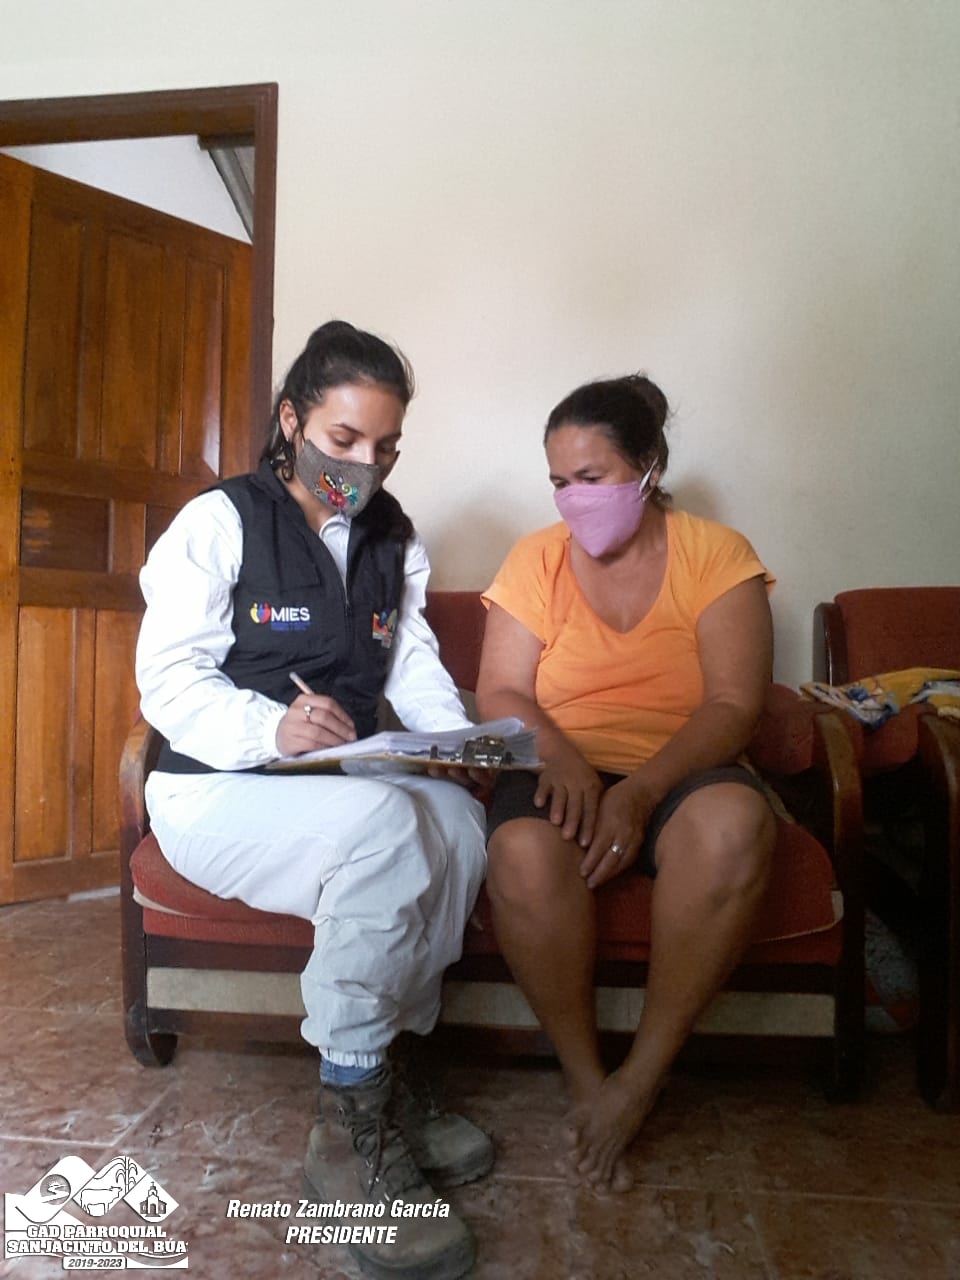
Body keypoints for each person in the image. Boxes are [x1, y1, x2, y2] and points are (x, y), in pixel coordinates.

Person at [136, 320, 492, 1280]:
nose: (365, 467)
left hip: (336, 783)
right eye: (344, 440)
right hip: (215, 789)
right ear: (292, 422)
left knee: (457, 824)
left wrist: (452, 744)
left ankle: (392, 1078)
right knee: (389, 831)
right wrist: (270, 730)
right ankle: (345, 1130)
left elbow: (411, 665)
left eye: (387, 447)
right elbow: (167, 681)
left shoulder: (391, 535)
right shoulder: (219, 522)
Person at [474, 373, 777, 1193]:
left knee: (732, 829)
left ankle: (641, 1079)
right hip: (560, 765)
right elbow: (500, 691)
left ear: (648, 467)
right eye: (559, 482)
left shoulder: (718, 555)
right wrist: (563, 757)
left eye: (592, 476)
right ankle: (587, 1081)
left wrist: (641, 791)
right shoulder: (535, 559)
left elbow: (735, 704)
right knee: (522, 854)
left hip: (682, 768)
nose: (574, 498)